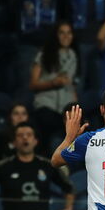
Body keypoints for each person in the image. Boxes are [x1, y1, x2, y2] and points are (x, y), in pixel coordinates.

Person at [0, 122, 73, 210]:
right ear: (14, 142)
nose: (25, 138)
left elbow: (69, 188)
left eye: (29, 135)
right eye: (20, 135)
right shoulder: (3, 166)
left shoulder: (47, 165)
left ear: (35, 141)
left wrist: (68, 209)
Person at [30, 22, 77, 151]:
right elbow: (32, 84)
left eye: (69, 33)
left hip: (66, 108)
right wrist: (53, 83)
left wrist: (76, 107)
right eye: (62, 32)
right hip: (46, 105)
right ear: (56, 35)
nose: (66, 36)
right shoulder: (44, 53)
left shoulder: (73, 55)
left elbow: (72, 84)